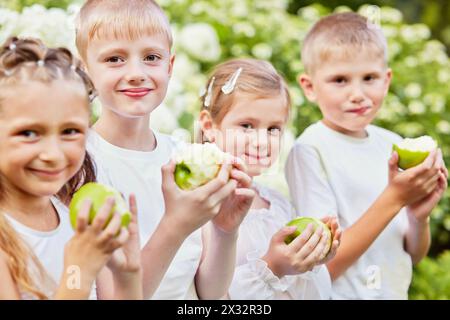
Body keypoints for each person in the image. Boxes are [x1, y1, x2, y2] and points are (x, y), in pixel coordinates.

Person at [75, 0, 255, 299]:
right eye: (114, 59)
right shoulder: (82, 165)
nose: (135, 72)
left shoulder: (184, 156)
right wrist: (176, 225)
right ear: (86, 71)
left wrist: (225, 231)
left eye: (151, 57)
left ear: (169, 67)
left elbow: (211, 293)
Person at [286, 12, 448, 299]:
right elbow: (324, 266)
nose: (357, 93)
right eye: (340, 80)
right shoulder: (310, 149)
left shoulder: (393, 144)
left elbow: (412, 256)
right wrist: (395, 197)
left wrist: (418, 217)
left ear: (386, 80)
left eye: (369, 78)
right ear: (309, 87)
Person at [0, 36, 142, 299]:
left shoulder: (73, 220)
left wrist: (128, 274)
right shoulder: (6, 240)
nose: (53, 154)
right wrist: (79, 270)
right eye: (29, 133)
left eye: (70, 131)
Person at [197, 58, 341, 299]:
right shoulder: (201, 208)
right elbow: (205, 298)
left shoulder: (277, 204)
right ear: (209, 126)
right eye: (246, 125)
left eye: (273, 129)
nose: (262, 141)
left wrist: (311, 258)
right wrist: (272, 267)